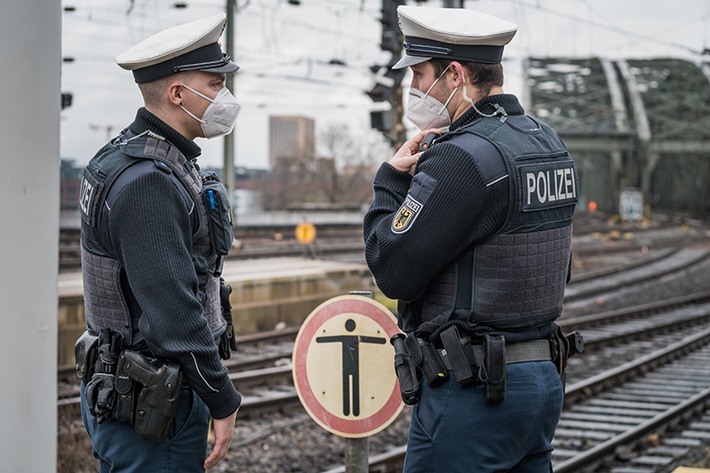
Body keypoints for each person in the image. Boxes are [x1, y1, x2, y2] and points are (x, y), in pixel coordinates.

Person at [363, 6, 581, 473]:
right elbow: (556, 264)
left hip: (474, 391)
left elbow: (391, 267)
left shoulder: (461, 160)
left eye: (420, 75)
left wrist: (388, 181)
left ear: (455, 74)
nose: (414, 89)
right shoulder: (546, 143)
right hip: (539, 381)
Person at [76, 13, 242, 472]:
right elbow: (173, 316)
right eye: (214, 84)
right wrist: (221, 398)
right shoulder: (149, 183)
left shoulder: (124, 157)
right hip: (152, 404)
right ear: (177, 95)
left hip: (131, 392)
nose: (224, 97)